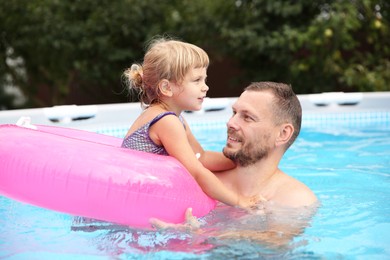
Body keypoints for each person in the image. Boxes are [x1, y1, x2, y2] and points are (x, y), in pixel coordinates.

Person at [151, 82, 318, 246]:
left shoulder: (295, 199)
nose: (230, 123)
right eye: (234, 112)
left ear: (283, 133)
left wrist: (202, 236)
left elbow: (274, 247)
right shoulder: (199, 177)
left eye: (247, 117)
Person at [121, 37, 259, 209]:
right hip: (136, 200)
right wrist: (238, 201)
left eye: (204, 79)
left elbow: (202, 157)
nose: (205, 87)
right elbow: (196, 172)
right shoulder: (166, 121)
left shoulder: (175, 118)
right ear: (166, 88)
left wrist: (241, 159)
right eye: (196, 80)